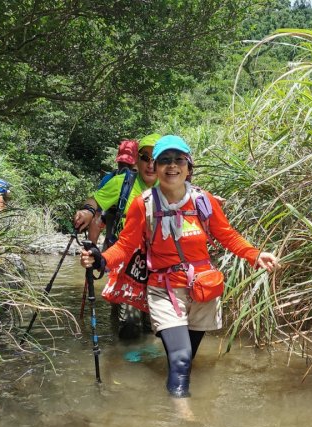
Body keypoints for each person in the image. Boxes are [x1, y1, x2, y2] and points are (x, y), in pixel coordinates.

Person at [80, 134, 279, 398]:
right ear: (157, 166)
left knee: (186, 359)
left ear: (188, 166)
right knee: (183, 359)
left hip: (202, 290)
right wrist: (102, 260)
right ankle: (182, 417)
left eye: (178, 160)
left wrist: (255, 255)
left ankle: (170, 386)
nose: (171, 166)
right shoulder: (144, 204)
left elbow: (227, 236)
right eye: (164, 160)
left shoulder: (202, 200)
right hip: (164, 289)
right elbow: (126, 246)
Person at [75, 133, 160, 337]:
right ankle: (126, 359)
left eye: (156, 159)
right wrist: (87, 210)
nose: (150, 165)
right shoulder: (122, 182)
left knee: (155, 325)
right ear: (136, 161)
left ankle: (144, 359)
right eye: (145, 158)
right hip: (126, 259)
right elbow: (96, 202)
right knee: (130, 323)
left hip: (158, 263)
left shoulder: (171, 184)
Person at [88, 139, 139, 246]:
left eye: (129, 165)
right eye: (122, 164)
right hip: (114, 238)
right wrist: (91, 250)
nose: (125, 169)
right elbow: (96, 215)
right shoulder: (109, 180)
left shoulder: (150, 182)